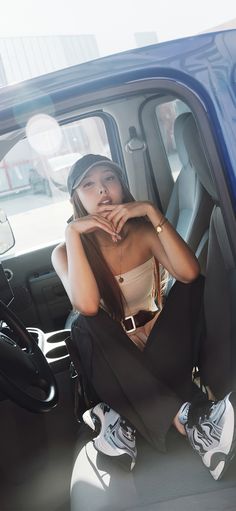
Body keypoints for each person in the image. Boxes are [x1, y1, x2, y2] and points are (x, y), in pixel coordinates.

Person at [52, 153, 236, 480]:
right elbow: (88, 305)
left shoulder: (144, 231)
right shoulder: (66, 251)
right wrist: (73, 235)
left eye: (109, 179)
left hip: (161, 349)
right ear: (76, 197)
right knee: (84, 324)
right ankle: (191, 421)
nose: (103, 191)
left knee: (193, 286)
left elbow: (190, 273)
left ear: (122, 185)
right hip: (115, 362)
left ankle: (122, 419)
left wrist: (151, 211)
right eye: (89, 185)